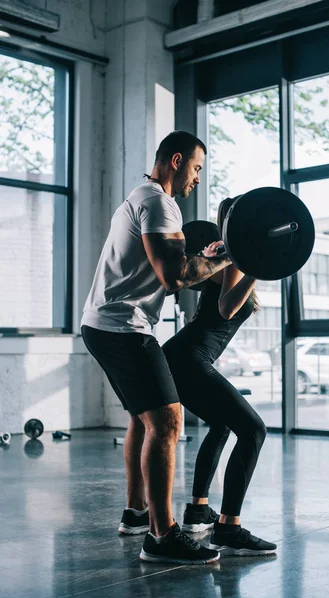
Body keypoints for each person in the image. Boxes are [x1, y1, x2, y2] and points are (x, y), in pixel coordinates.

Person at [81, 131, 231, 565]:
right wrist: (230, 255)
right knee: (167, 420)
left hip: (105, 323)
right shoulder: (159, 202)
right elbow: (174, 277)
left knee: (143, 418)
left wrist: (209, 258)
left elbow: (179, 269)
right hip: (122, 326)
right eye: (197, 168)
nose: (197, 179)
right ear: (177, 159)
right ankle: (161, 536)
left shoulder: (139, 198)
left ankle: (135, 511)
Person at [162, 198, 277, 556]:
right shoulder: (232, 255)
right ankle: (229, 527)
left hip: (182, 357)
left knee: (221, 425)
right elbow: (227, 309)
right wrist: (255, 267)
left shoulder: (227, 254)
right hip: (189, 358)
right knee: (254, 430)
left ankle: (198, 508)